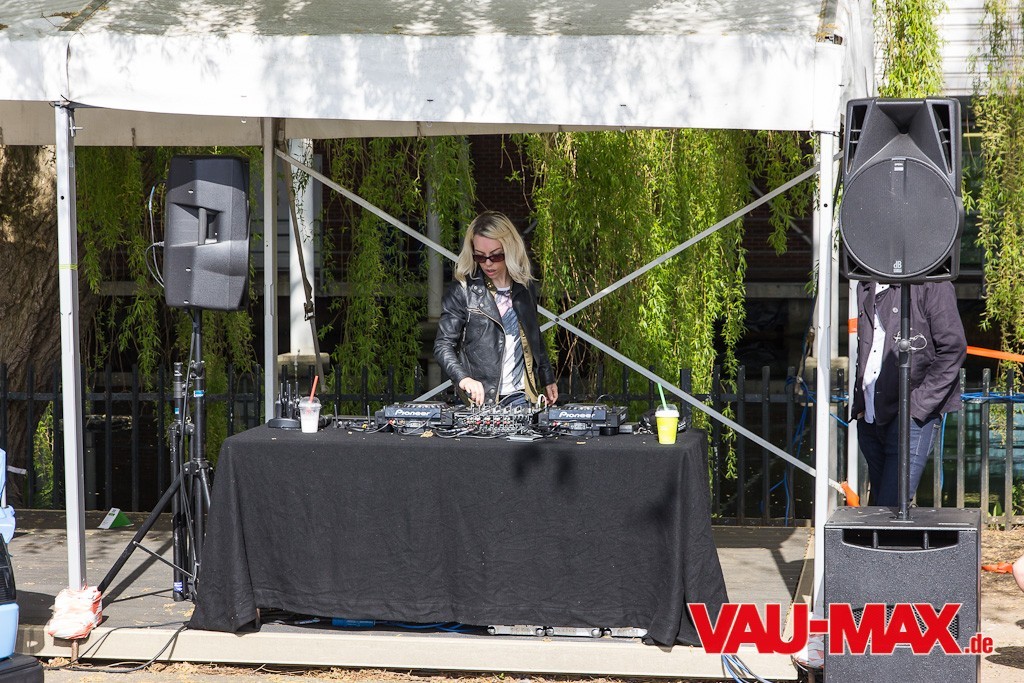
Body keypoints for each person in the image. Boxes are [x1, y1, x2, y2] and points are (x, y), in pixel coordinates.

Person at [851, 281, 966, 506]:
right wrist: (862, 407)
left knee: (892, 507)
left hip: (912, 416)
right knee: (880, 508)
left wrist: (918, 405)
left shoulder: (933, 284)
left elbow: (953, 348)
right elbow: (869, 345)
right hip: (871, 415)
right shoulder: (865, 284)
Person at [434, 211, 558, 407]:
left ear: (510, 249)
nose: (488, 263)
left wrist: (547, 377)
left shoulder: (524, 286)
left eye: (496, 255)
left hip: (520, 396)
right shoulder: (462, 289)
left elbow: (533, 334)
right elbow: (443, 345)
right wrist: (464, 379)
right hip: (479, 399)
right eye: (480, 256)